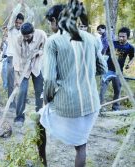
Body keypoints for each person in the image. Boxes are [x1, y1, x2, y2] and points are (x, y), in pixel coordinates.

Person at [39, 2, 107, 167]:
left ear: (56, 20)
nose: (50, 26)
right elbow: (103, 68)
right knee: (81, 146)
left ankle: (42, 163)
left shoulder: (53, 42)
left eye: (50, 22)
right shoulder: (91, 38)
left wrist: (47, 100)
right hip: (91, 104)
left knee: (39, 120)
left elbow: (49, 79)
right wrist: (84, 76)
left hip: (68, 106)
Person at [13, 22, 46, 125]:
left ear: (33, 32)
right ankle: (19, 118)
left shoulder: (41, 34)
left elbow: (46, 48)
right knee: (22, 91)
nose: (26, 38)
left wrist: (38, 53)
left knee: (39, 92)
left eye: (28, 36)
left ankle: (39, 116)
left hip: (37, 66)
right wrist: (17, 77)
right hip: (24, 69)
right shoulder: (19, 39)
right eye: (24, 36)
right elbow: (17, 58)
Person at [100, 27, 135, 111]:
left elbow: (132, 57)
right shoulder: (112, 43)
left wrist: (129, 65)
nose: (121, 38)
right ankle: (99, 107)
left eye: (123, 36)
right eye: (119, 36)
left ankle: (115, 108)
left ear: (127, 37)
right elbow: (105, 54)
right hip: (107, 70)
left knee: (117, 90)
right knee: (102, 90)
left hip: (118, 72)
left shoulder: (130, 47)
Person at [6, 11, 24, 110]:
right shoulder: (10, 29)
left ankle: (20, 101)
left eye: (20, 23)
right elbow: (12, 17)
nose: (18, 25)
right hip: (10, 57)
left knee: (20, 81)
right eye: (17, 23)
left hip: (20, 59)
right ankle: (11, 102)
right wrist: (18, 5)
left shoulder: (23, 31)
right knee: (10, 81)